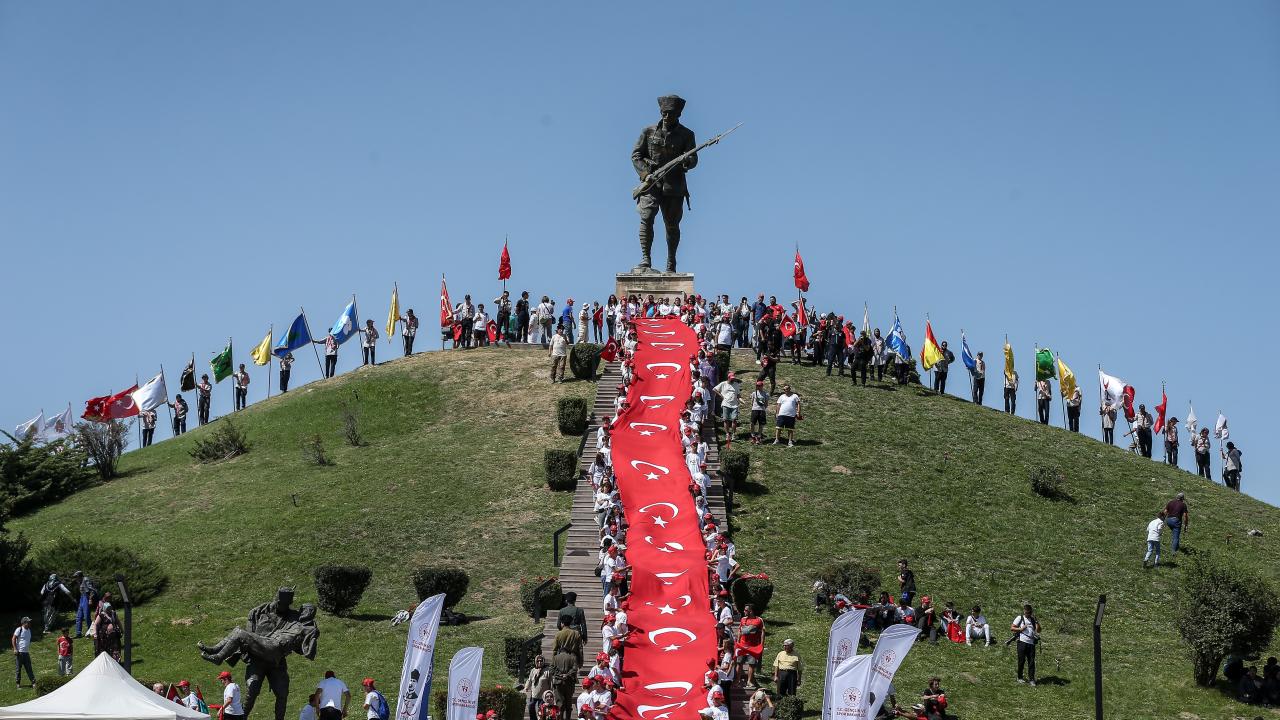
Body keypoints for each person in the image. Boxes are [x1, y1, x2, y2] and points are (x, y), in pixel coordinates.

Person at [632, 95, 697, 272]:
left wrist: (687, 161)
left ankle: (671, 261)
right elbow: (636, 155)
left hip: (674, 186)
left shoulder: (687, 134)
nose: (666, 117)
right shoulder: (648, 131)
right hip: (651, 184)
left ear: (678, 114)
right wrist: (645, 174)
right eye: (663, 113)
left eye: (670, 113)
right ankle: (646, 259)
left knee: (672, 225)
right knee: (646, 218)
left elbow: (693, 159)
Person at [736, 605, 765, 688]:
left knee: (752, 664)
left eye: (746, 610)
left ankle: (749, 681)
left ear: (751, 611)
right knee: (739, 663)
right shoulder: (743, 619)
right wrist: (738, 643)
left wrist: (761, 644)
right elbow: (739, 630)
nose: (744, 611)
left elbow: (762, 631)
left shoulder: (758, 620)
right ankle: (737, 680)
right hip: (742, 645)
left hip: (753, 647)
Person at [1011, 605, 1040, 686]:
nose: (1028, 614)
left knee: (1031, 661)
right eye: (1027, 612)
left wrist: (1037, 621)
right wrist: (1021, 629)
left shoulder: (1033, 620)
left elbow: (1039, 630)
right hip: (1022, 642)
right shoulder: (1020, 618)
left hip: (1031, 643)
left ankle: (1031, 679)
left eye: (1030, 612)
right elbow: (1012, 628)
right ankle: (1019, 677)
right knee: (1021, 660)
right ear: (1024, 611)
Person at [713, 372, 742, 444]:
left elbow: (738, 394)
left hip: (734, 404)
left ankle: (733, 434)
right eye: (731, 378)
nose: (732, 380)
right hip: (726, 404)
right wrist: (721, 396)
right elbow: (714, 389)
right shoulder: (723, 384)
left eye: (733, 378)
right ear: (728, 378)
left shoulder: (736, 384)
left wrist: (741, 400)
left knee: (734, 420)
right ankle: (727, 434)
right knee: (725, 420)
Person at [523, 656, 552, 720]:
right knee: (530, 706)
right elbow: (529, 680)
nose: (539, 662)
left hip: (543, 695)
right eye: (538, 661)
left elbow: (551, 682)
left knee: (541, 709)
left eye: (541, 661)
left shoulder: (547, 671)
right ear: (536, 662)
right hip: (534, 694)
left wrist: (550, 692)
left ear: (543, 661)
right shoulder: (533, 670)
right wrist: (526, 687)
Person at [13, 616, 34, 688]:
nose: (30, 623)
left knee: (29, 668)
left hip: (26, 653)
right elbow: (13, 639)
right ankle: (18, 684)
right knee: (18, 669)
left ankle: (33, 682)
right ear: (24, 623)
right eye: (28, 622)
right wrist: (15, 649)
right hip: (19, 653)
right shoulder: (19, 629)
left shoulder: (29, 630)